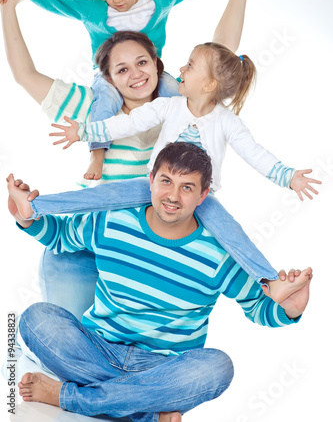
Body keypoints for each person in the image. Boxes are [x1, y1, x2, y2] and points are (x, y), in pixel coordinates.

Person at [4, 0, 286, 323]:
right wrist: (9, 9)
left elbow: (220, 56)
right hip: (82, 245)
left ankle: (270, 289)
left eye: (141, 62)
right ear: (107, 77)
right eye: (121, 69)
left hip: (145, 252)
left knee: (119, 359)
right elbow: (25, 75)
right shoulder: (90, 106)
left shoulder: (181, 105)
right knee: (61, 340)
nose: (134, 74)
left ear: (157, 63)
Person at [7, 142, 312, 421]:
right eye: (166, 181)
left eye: (187, 187)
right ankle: (148, 410)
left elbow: (258, 306)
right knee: (36, 319)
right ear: (151, 179)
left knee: (218, 368)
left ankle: (71, 397)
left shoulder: (219, 254)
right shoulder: (113, 220)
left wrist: (290, 309)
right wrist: (25, 217)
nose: (173, 196)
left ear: (203, 195)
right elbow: (60, 236)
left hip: (162, 367)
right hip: (98, 348)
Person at [1, 0, 252, 181]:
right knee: (106, 100)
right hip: (103, 89)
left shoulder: (178, 97)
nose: (116, 0)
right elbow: (60, 5)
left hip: (173, 204)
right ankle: (96, 153)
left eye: (141, 61)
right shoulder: (90, 100)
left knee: (180, 100)